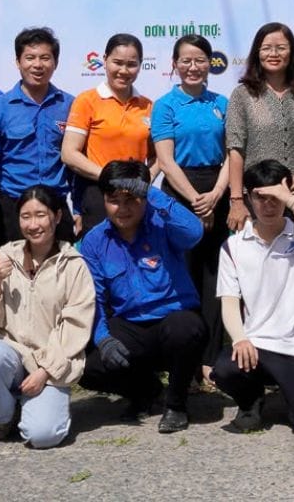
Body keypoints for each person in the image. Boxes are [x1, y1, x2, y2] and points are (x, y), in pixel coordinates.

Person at [78, 160, 207, 433]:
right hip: (132, 325)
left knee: (186, 329)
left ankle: (176, 404)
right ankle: (145, 391)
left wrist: (152, 193)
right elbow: (96, 299)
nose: (122, 209)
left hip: (173, 319)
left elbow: (195, 232)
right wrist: (103, 339)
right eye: (114, 201)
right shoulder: (94, 241)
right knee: (90, 367)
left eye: (131, 200)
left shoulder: (163, 223)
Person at [213, 159, 294, 435]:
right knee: (223, 369)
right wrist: (240, 338)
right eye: (260, 197)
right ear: (248, 197)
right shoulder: (233, 246)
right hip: (253, 346)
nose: (268, 206)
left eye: (275, 198)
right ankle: (251, 400)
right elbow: (230, 303)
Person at [0, 185, 95, 449]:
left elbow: (75, 328)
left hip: (50, 362)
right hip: (11, 355)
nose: (33, 224)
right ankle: (3, 417)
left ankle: (29, 407)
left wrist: (44, 371)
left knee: (42, 436)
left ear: (57, 216)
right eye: (26, 216)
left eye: (41, 215)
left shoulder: (73, 264)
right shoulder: (5, 256)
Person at [152, 34, 233, 375]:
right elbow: (165, 161)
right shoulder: (165, 105)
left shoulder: (223, 103)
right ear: (174, 65)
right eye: (185, 60)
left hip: (219, 189)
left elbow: (234, 154)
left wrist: (215, 194)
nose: (193, 66)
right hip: (179, 193)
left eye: (200, 59)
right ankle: (183, 362)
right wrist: (197, 201)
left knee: (217, 276)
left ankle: (211, 360)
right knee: (183, 274)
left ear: (210, 64)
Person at [0, 26, 75, 245]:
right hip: (13, 205)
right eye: (30, 58)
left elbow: (76, 161)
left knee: (60, 271)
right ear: (18, 62)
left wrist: (81, 207)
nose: (37, 65)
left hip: (55, 205)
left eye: (45, 58)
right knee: (15, 271)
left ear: (55, 62)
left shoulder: (70, 106)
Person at [226, 22, 294, 233]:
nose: (273, 53)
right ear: (257, 53)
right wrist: (237, 200)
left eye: (281, 47)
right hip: (258, 201)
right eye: (266, 48)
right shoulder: (242, 95)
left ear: (291, 52)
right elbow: (235, 150)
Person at [61, 34, 154, 224]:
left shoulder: (148, 106)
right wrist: (111, 178)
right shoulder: (86, 101)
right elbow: (69, 153)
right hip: (99, 193)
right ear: (104, 60)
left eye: (131, 64)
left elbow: (158, 156)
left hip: (136, 197)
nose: (123, 70)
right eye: (117, 62)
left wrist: (143, 182)